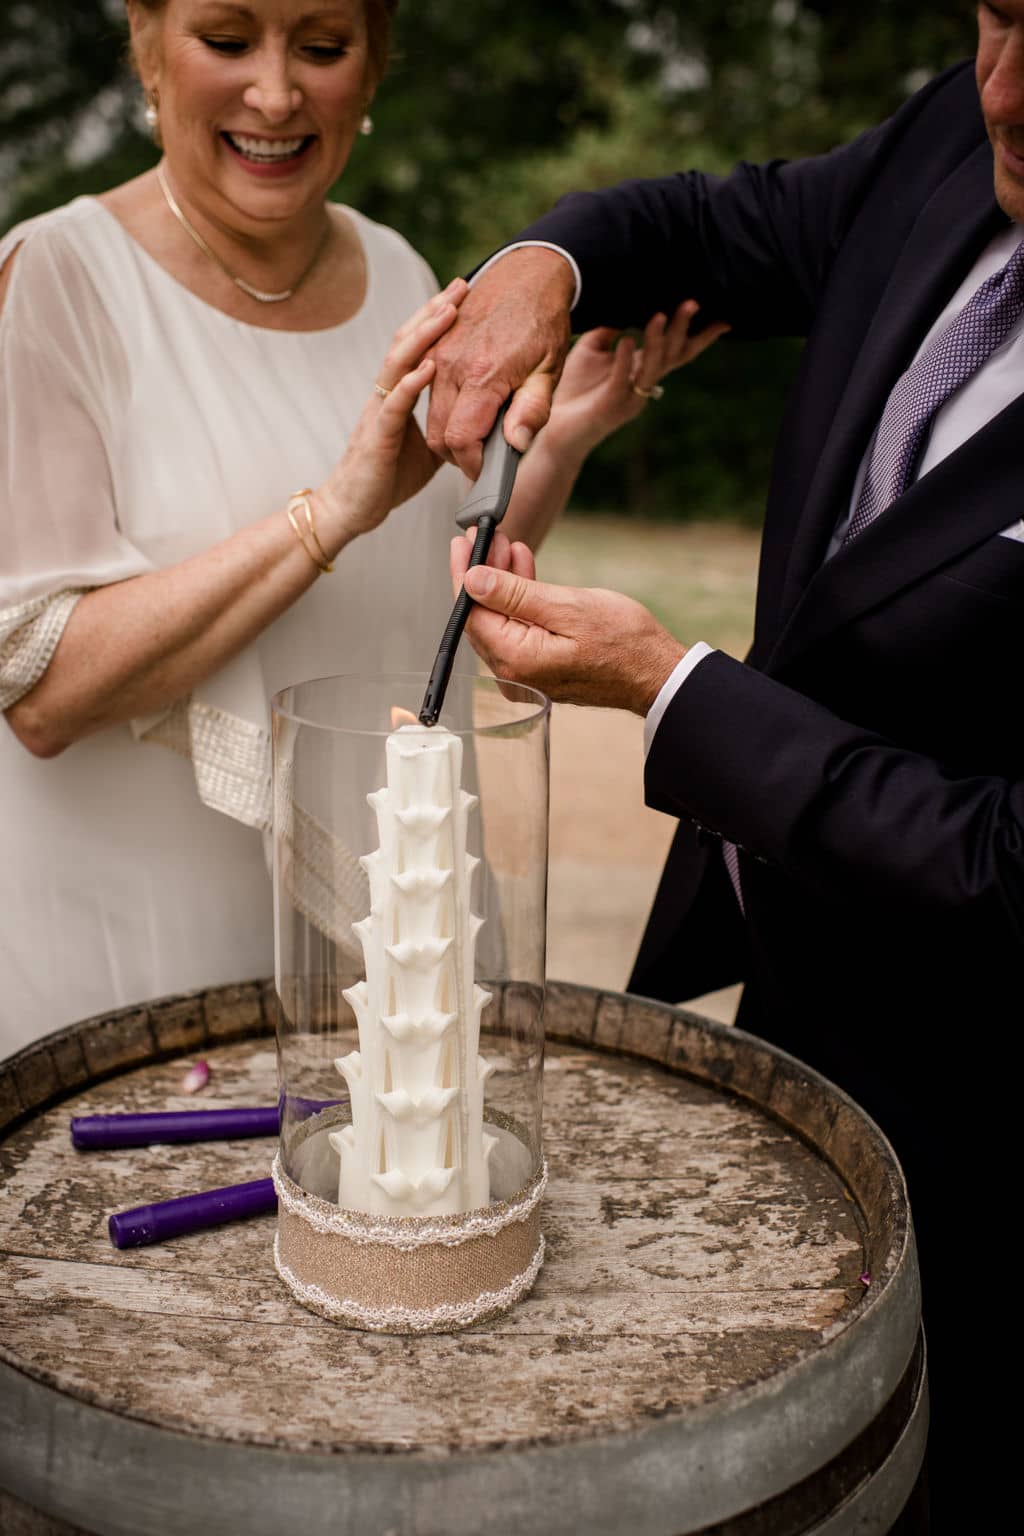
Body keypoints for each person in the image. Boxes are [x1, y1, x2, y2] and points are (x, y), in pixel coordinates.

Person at [429, 3, 1024, 1511]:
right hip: (797, 1010)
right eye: (1001, 14)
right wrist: (538, 272)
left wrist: (670, 686)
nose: (1005, 89)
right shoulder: (959, 127)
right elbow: (704, 221)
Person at [0, 1, 718, 1056]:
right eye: (229, 40)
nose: (278, 94)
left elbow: (414, 573)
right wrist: (328, 512)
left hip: (382, 961)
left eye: (323, 48)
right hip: (143, 964)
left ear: (373, 71)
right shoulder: (54, 280)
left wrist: (557, 440)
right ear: (147, 46)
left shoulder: (401, 272)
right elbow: (45, 690)